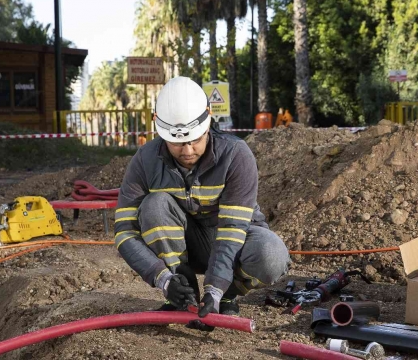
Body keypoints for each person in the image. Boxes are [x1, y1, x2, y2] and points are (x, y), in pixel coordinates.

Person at [114, 76, 291, 322]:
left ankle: (228, 295)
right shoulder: (145, 160)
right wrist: (163, 280)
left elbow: (231, 229)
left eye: (195, 139)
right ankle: (182, 294)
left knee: (272, 255)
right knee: (154, 205)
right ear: (160, 129)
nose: (187, 151)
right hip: (187, 244)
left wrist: (216, 288)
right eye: (177, 142)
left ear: (208, 122)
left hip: (235, 242)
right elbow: (124, 232)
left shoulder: (235, 155)